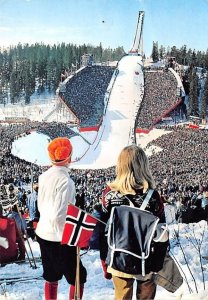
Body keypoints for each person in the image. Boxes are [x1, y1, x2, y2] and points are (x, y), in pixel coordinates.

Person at [100, 145, 165, 300]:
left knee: (122, 296)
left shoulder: (109, 194)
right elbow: (161, 232)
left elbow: (103, 230)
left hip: (119, 256)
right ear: (143, 165)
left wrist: (105, 260)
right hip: (146, 258)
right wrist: (158, 263)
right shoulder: (153, 196)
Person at [35, 137, 87, 300]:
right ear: (69, 157)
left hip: (44, 232)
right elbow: (59, 215)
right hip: (59, 237)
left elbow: (41, 206)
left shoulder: (43, 177)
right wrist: (68, 239)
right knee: (78, 276)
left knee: (51, 275)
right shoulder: (66, 181)